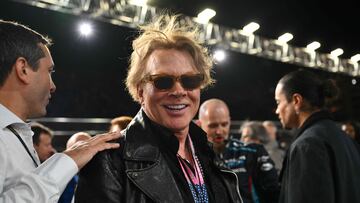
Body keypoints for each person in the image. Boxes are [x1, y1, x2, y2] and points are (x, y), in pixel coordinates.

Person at [75, 15, 242, 203]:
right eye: (163, 81)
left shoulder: (208, 153)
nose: (179, 91)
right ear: (140, 91)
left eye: (189, 81)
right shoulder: (109, 162)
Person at [0, 20, 120, 202]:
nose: (53, 86)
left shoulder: (14, 133)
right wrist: (67, 161)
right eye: (49, 71)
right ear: (23, 69)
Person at [275, 69, 360, 203]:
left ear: (296, 100)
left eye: (278, 102)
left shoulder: (307, 145)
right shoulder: (346, 139)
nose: (277, 110)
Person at [198, 99, 279, 203]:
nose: (219, 131)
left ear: (230, 121)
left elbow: (274, 193)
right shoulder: (191, 157)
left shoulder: (253, 152)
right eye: (213, 126)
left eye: (224, 124)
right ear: (199, 125)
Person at [59, 132, 92, 203]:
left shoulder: (103, 177)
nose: (83, 156)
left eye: (86, 150)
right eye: (78, 150)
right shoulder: (58, 180)